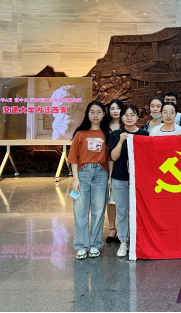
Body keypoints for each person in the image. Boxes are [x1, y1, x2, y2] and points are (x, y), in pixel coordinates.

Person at [68, 101, 113, 260]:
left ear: (103, 114)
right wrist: (75, 179)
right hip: (83, 174)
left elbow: (110, 158)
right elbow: (73, 158)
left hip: (101, 174)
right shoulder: (80, 134)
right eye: (92, 112)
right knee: (80, 210)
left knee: (98, 210)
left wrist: (110, 177)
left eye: (99, 112)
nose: (95, 115)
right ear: (87, 114)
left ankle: (94, 244)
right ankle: (81, 246)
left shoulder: (107, 133)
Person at [108, 105, 149, 258]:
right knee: (122, 211)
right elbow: (113, 157)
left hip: (139, 181)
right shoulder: (115, 135)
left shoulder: (144, 134)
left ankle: (139, 241)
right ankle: (123, 241)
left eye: (132, 114)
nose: (129, 118)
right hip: (120, 179)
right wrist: (120, 141)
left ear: (138, 117)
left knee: (140, 212)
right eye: (126, 115)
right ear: (122, 117)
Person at [104, 99, 124, 245]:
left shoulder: (126, 125)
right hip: (105, 164)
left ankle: (123, 229)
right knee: (110, 200)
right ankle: (112, 228)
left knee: (121, 201)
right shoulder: (103, 126)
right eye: (112, 108)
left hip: (121, 165)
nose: (115, 111)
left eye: (118, 108)